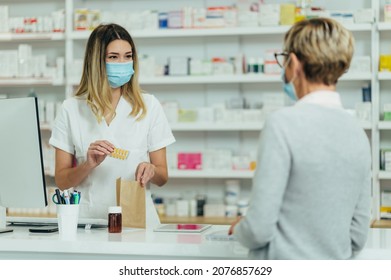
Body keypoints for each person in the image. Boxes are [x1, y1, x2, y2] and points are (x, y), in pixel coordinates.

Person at [228, 18, 371, 259]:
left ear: (294, 63)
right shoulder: (357, 133)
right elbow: (357, 237)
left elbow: (259, 229)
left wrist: (241, 228)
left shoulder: (282, 124)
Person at [49, 23, 175, 228]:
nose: (123, 63)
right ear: (96, 61)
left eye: (128, 56)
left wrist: (152, 169)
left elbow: (163, 177)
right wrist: (88, 164)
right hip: (89, 222)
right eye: (113, 57)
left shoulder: (148, 106)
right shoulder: (71, 109)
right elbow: (62, 180)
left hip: (137, 223)